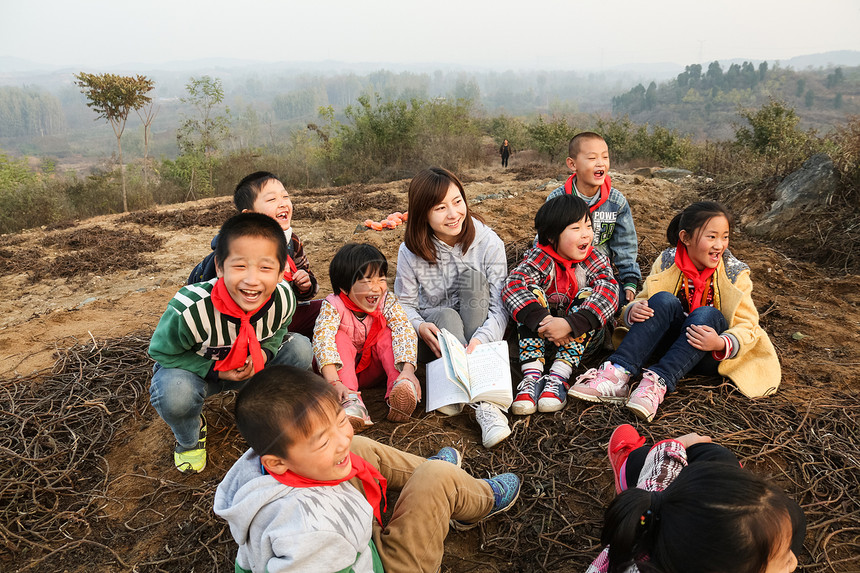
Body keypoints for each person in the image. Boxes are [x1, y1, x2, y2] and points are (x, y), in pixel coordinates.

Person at [214, 365, 522, 573]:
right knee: (437, 478)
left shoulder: (260, 471)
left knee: (358, 449)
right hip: (379, 564)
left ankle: (433, 483)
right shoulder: (308, 535)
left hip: (353, 544)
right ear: (277, 462)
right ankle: (474, 497)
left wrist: (326, 445)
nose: (341, 437)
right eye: (322, 441)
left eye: (339, 420)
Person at [569, 201, 780, 422]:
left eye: (725, 237)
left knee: (707, 314)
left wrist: (720, 344)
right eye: (712, 237)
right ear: (685, 238)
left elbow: (749, 325)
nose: (720, 245)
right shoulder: (668, 260)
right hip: (667, 344)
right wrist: (633, 311)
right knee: (662, 299)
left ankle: (657, 383)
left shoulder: (735, 272)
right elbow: (644, 299)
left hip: (708, 353)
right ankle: (617, 373)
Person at [149, 213, 311, 474]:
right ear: (220, 266)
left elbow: (280, 328)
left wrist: (265, 354)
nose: (252, 280)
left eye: (265, 268)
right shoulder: (190, 309)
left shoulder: (283, 300)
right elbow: (162, 352)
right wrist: (214, 370)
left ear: (282, 272)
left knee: (300, 349)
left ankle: (269, 410)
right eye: (240, 266)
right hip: (200, 375)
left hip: (250, 367)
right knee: (174, 392)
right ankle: (189, 438)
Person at [393, 167, 512, 448]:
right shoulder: (410, 251)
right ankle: (456, 384)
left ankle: (484, 403)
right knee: (446, 315)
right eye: (440, 207)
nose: (453, 213)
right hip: (434, 342)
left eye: (458, 201)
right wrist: (420, 327)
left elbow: (500, 305)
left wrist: (481, 340)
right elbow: (404, 305)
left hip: (478, 336)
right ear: (423, 213)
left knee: (473, 280)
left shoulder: (488, 242)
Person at [586, 424, 804, 573]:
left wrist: (678, 444)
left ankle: (629, 464)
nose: (794, 562)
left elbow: (657, 483)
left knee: (710, 455)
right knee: (795, 515)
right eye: (784, 559)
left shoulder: (657, 510)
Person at [502, 195, 619, 415]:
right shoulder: (541, 258)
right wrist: (545, 321)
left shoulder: (594, 259)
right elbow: (512, 286)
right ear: (551, 236)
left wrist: (569, 325)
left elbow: (610, 291)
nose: (586, 233)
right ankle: (532, 378)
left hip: (582, 345)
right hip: (539, 340)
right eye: (575, 228)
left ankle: (558, 378)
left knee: (590, 294)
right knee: (530, 292)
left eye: (588, 226)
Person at [187, 171, 322, 340]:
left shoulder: (291, 241)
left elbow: (307, 285)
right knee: (298, 346)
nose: (282, 203)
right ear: (249, 214)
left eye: (285, 196)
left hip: (280, 315)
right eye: (272, 199)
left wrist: (305, 285)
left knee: (329, 309)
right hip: (237, 325)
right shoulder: (234, 249)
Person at [313, 243, 420, 431]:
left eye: (381, 279)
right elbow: (324, 340)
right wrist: (333, 382)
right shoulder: (334, 305)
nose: (377, 288)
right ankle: (351, 402)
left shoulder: (387, 301)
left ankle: (401, 384)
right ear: (345, 288)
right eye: (367, 281)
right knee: (338, 336)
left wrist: (409, 369)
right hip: (339, 374)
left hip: (372, 368)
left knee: (388, 333)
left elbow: (404, 330)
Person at [545, 132, 640, 302]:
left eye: (605, 157)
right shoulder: (556, 200)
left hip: (599, 276)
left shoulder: (616, 202)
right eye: (592, 158)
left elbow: (625, 243)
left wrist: (630, 279)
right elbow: (544, 241)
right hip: (562, 275)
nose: (600, 163)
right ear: (572, 164)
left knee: (617, 299)